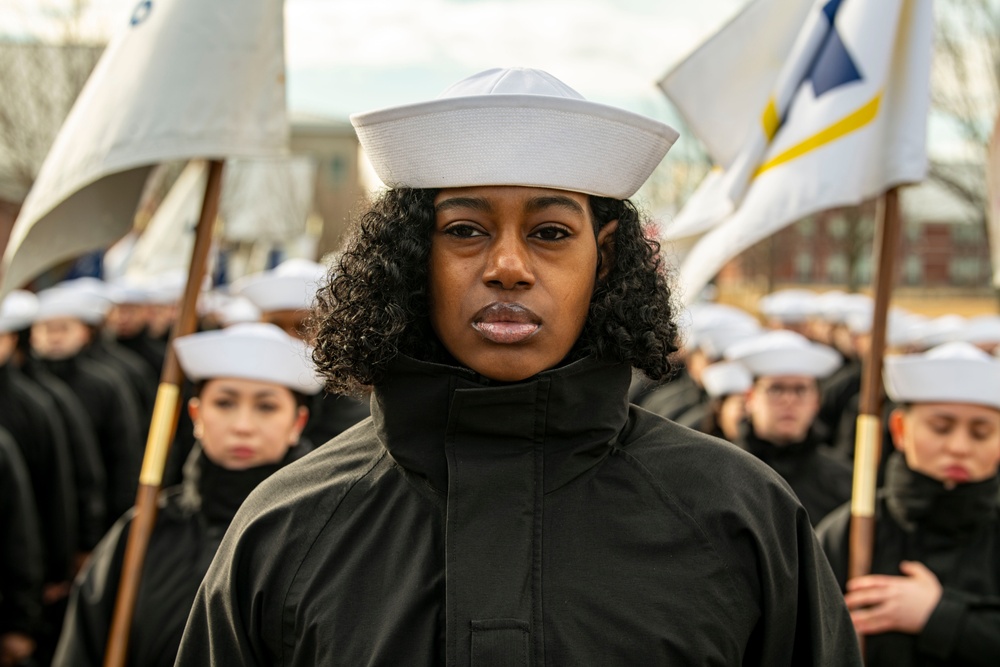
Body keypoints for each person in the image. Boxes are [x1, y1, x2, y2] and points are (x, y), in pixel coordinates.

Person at [175, 67, 860, 665]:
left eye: (551, 233)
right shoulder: (285, 528)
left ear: (609, 256)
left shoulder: (738, 515)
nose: (507, 265)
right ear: (412, 254)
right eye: (466, 229)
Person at [53, 323, 320, 667]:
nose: (242, 425)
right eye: (224, 403)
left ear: (297, 422)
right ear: (196, 414)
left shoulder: (321, 532)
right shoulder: (145, 529)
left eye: (266, 407)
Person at [817, 342, 1000, 666]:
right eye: (940, 428)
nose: (959, 447)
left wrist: (941, 617)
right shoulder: (851, 529)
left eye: (980, 433)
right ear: (900, 429)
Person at [727, 329, 853, 526]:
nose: (789, 400)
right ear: (750, 398)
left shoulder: (843, 482)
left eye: (800, 389)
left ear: (816, 400)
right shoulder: (723, 471)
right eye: (776, 388)